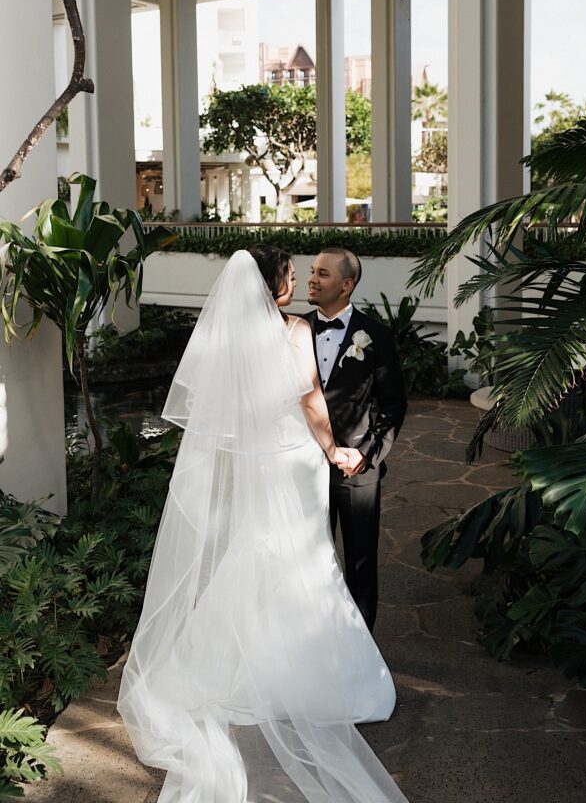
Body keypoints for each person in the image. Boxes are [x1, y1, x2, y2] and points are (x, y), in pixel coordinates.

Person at [117, 246, 409, 803]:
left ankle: (236, 663)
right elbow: (310, 399)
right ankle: (321, 671)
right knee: (305, 557)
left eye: (316, 273)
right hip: (296, 457)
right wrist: (332, 450)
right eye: (297, 275)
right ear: (276, 285)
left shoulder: (230, 337)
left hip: (256, 459)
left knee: (256, 550)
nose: (304, 281)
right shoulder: (295, 329)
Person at [306, 248, 407, 632]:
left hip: (356, 472)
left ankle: (361, 647)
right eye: (312, 271)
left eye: (324, 274)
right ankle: (315, 637)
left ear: (347, 285)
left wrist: (366, 455)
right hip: (303, 466)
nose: (313, 279)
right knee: (308, 560)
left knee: (360, 563)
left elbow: (394, 405)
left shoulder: (376, 335)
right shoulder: (295, 330)